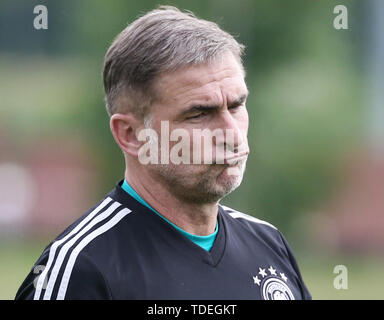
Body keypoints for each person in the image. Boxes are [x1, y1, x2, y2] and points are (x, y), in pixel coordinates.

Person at [15, 6, 311, 300]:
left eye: (236, 105)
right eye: (198, 114)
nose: (232, 134)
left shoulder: (269, 245)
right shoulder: (83, 269)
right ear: (131, 135)